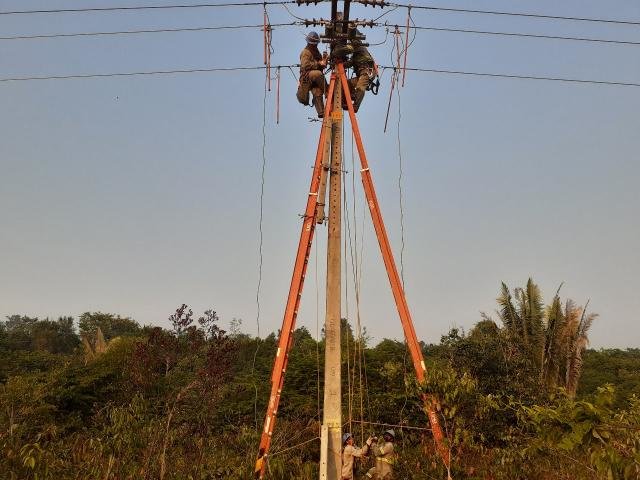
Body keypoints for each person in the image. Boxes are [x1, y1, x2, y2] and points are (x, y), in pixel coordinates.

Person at [297, 31, 329, 118]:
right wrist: (319, 63)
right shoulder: (306, 52)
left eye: (315, 43)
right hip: (307, 77)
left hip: (314, 78)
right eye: (313, 43)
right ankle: (328, 91)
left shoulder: (316, 51)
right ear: (309, 43)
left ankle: (321, 112)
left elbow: (320, 65)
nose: (315, 45)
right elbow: (305, 66)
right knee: (318, 74)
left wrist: (324, 60)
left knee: (317, 91)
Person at [346, 33, 376, 113]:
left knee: (360, 87)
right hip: (361, 74)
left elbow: (350, 54)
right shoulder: (356, 53)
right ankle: (352, 96)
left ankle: (355, 106)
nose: (351, 43)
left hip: (366, 72)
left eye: (351, 41)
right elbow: (349, 63)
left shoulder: (360, 48)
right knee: (347, 83)